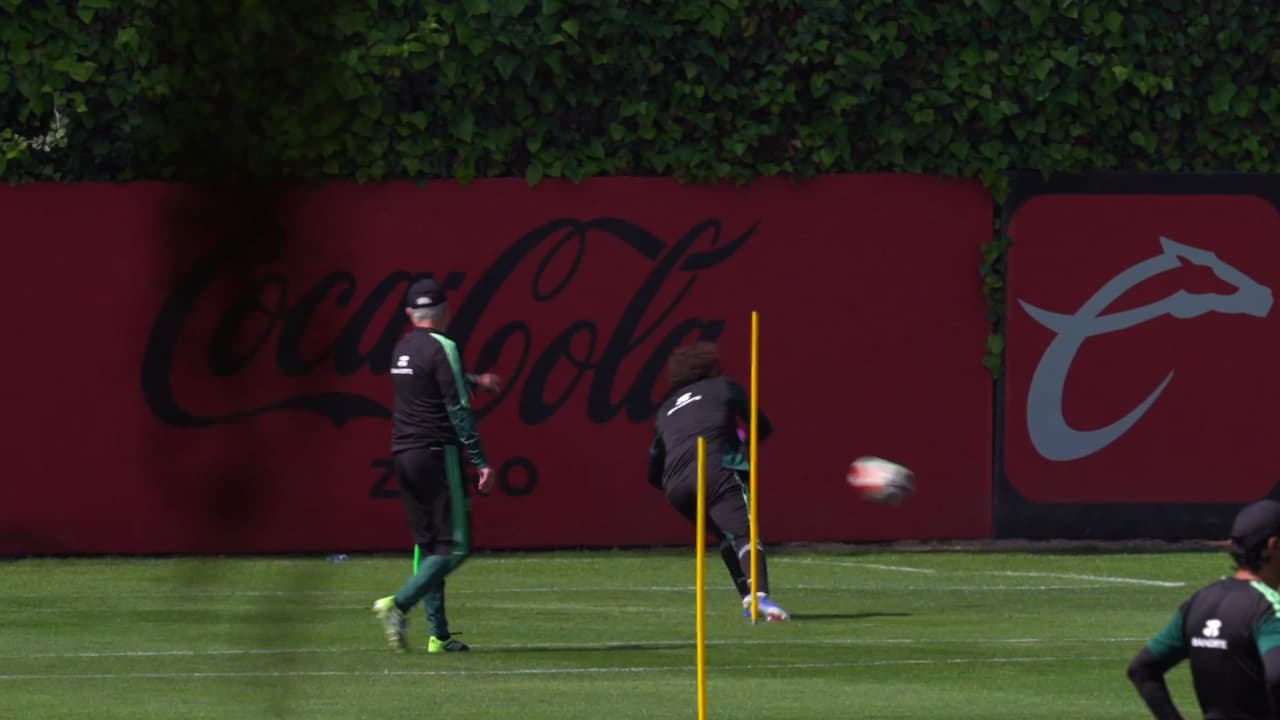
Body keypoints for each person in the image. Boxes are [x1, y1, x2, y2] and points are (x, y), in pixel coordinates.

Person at [371, 276, 501, 653]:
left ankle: (439, 636)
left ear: (411, 315)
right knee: (455, 546)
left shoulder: (402, 350)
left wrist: (476, 380)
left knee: (430, 548)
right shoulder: (444, 346)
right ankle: (398, 604)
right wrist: (481, 461)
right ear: (446, 311)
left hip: (403, 453)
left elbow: (433, 383)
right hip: (435, 452)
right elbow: (457, 407)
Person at [648, 341, 789, 621]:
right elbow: (761, 425)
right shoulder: (724, 386)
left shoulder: (665, 410)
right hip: (715, 469)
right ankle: (760, 597)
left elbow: (653, 470)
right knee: (744, 533)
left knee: (726, 536)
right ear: (710, 369)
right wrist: (743, 441)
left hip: (675, 485)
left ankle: (749, 599)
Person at [1128, 499, 1280, 719]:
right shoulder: (1268, 608)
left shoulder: (1201, 600)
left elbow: (1142, 669)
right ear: (1274, 545)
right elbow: (1277, 677)